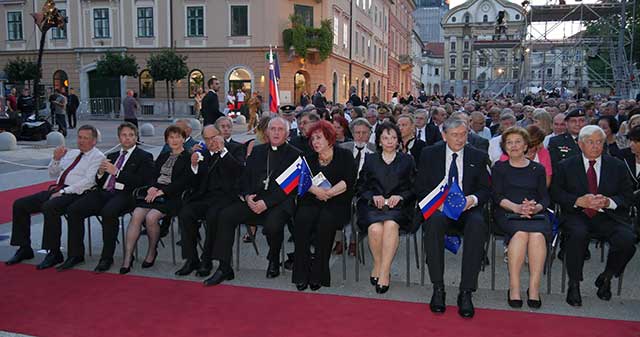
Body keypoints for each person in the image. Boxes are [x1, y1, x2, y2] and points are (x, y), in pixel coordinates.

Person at [204, 117, 302, 286]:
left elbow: (289, 188)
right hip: (254, 200)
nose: (276, 132)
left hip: (279, 202)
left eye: (280, 129)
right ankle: (224, 266)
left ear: (287, 133)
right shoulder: (257, 151)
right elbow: (245, 177)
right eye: (273, 129)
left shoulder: (296, 155)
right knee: (226, 215)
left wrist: (266, 203)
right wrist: (248, 195)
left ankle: (273, 259)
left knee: (273, 225)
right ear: (267, 132)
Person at [551, 125, 636, 306]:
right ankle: (574, 283)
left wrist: (608, 202)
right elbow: (556, 194)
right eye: (591, 142)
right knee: (577, 235)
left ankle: (606, 276)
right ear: (580, 144)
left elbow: (628, 196)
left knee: (628, 240)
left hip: (609, 215)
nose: (596, 146)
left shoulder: (617, 166)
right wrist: (578, 200)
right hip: (577, 214)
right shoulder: (565, 166)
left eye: (599, 142)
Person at [416, 117, 490, 318]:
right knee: (432, 223)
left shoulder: (478, 155)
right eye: (455, 135)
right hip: (440, 209)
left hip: (468, 209)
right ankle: (438, 288)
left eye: (463, 134)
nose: (460, 139)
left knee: (478, 224)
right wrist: (437, 204)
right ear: (444, 135)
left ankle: (466, 291)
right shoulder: (429, 154)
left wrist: (472, 199)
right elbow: (420, 187)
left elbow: (485, 189)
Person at [5, 125, 105, 269]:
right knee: (20, 204)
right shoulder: (73, 153)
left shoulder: (98, 157)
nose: (81, 141)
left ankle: (54, 252)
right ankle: (24, 248)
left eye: (85, 138)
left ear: (94, 141)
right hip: (58, 188)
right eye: (79, 137)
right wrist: (56, 159)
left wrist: (63, 192)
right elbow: (53, 173)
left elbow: (88, 182)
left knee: (50, 207)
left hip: (77, 193)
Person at [63, 123, 154, 271]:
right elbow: (99, 182)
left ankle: (106, 258)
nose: (128, 138)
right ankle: (75, 255)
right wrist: (100, 173)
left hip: (126, 194)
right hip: (104, 192)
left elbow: (143, 182)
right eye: (124, 135)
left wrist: (117, 173)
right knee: (74, 210)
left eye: (131, 135)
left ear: (136, 137)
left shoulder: (144, 156)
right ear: (119, 138)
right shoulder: (111, 156)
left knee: (108, 213)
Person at [292, 121, 357, 291]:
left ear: (329, 138)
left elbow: (348, 181)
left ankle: (318, 274)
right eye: (313, 139)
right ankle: (301, 273)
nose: (315, 142)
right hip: (312, 200)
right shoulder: (308, 158)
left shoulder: (345, 156)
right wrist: (316, 191)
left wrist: (329, 193)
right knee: (302, 219)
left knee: (325, 222)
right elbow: (302, 181)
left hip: (337, 202)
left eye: (319, 138)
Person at [119, 126, 192, 274]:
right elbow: (153, 175)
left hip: (174, 195)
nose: (174, 140)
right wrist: (152, 187)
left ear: (183, 139)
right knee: (137, 214)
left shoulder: (188, 157)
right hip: (155, 193)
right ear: (166, 140)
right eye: (171, 137)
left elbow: (184, 181)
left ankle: (152, 250)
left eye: (178, 137)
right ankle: (128, 257)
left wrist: (162, 191)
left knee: (151, 217)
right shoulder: (164, 155)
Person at [175, 125, 245, 277]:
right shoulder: (203, 153)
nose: (211, 141)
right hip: (205, 196)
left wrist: (222, 151)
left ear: (220, 135)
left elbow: (239, 172)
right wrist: (193, 166)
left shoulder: (234, 149)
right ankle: (191, 259)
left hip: (226, 197)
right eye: (207, 139)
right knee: (185, 213)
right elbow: (193, 182)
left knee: (214, 216)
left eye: (214, 137)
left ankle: (207, 260)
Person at [492, 127, 551, 309]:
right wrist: (517, 207)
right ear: (504, 147)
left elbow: (545, 197)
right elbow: (497, 196)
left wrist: (535, 208)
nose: (514, 146)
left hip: (535, 214)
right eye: (509, 143)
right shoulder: (499, 168)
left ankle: (534, 288)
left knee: (537, 236)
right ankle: (514, 287)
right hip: (507, 212)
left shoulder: (538, 169)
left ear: (526, 146)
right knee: (520, 234)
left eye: (518, 142)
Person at [357, 122, 415, 294]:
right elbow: (361, 186)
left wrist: (401, 196)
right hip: (373, 206)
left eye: (393, 138)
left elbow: (415, 187)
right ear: (379, 141)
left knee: (390, 225)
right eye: (385, 138)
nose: (389, 141)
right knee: (375, 230)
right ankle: (378, 263)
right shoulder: (370, 159)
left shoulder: (407, 160)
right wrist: (372, 197)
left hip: (399, 207)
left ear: (398, 141)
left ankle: (383, 273)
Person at [337, 118, 376, 256]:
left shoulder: (376, 150)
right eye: (357, 132)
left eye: (364, 133)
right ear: (352, 134)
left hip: (365, 189)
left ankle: (354, 241)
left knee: (360, 207)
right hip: (343, 187)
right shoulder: (343, 148)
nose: (360, 136)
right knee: (335, 204)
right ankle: (340, 240)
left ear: (370, 133)